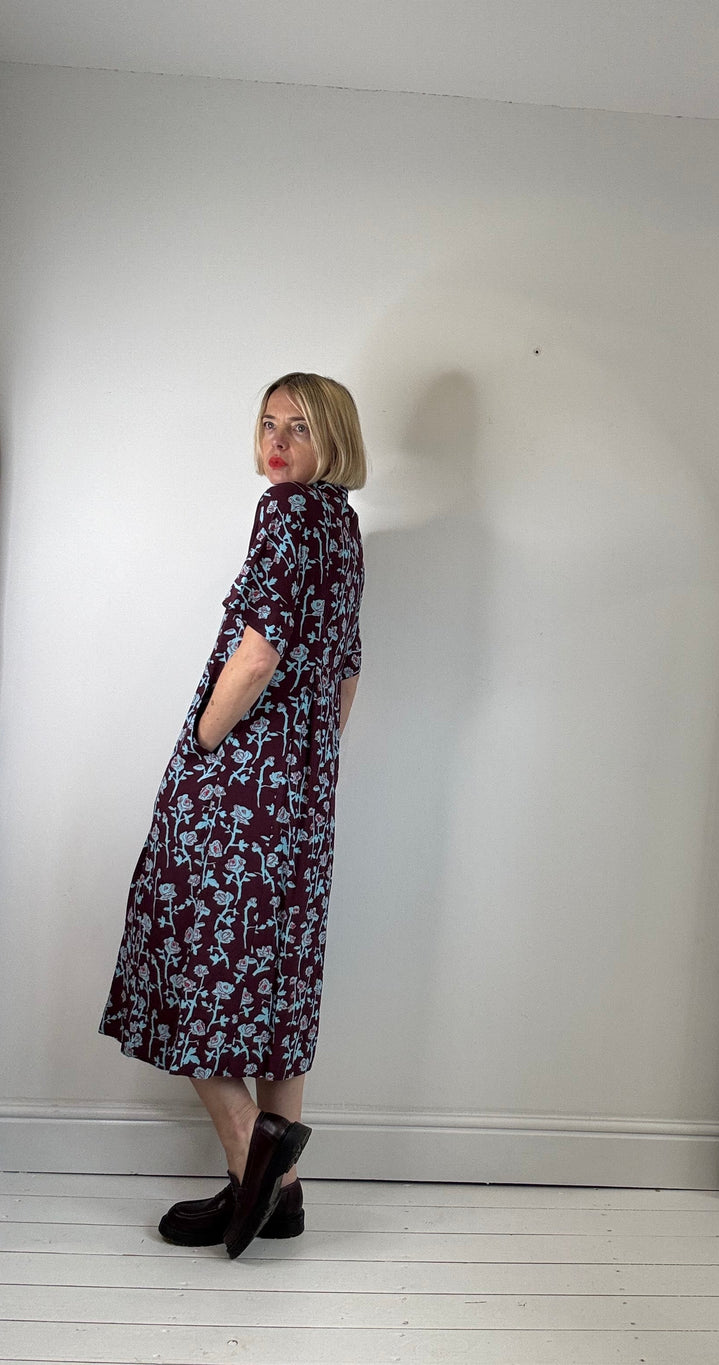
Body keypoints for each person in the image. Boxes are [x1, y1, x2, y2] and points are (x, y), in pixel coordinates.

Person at [99, 372, 366, 1258]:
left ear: (334, 439)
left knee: (185, 955)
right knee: (276, 980)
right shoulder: (344, 528)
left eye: (298, 427)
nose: (277, 441)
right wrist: (309, 767)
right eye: (267, 424)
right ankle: (277, 1198)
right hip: (303, 791)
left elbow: (256, 656)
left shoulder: (287, 514)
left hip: (240, 781)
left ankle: (253, 1149)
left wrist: (206, 747)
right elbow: (345, 673)